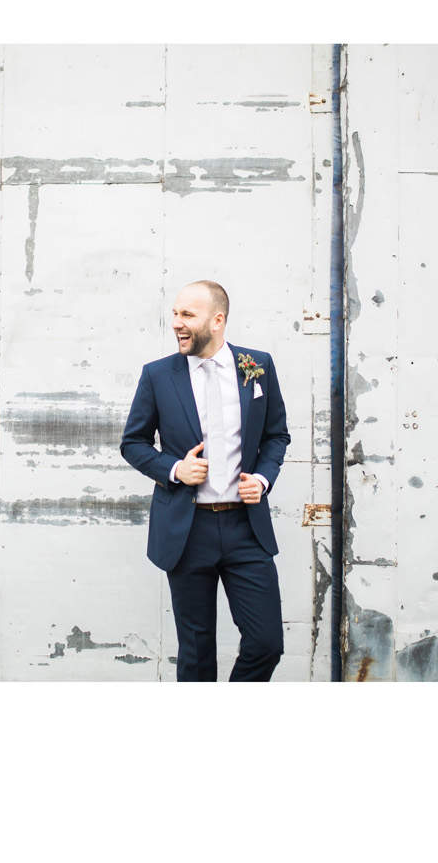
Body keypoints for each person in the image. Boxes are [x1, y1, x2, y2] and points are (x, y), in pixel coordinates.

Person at [120, 280, 290, 682]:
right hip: (187, 529)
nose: (176, 323)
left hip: (246, 528)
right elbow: (133, 443)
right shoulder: (158, 375)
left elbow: (276, 435)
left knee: (266, 644)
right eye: (175, 313)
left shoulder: (257, 365)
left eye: (187, 315)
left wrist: (263, 479)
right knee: (196, 653)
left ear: (218, 320)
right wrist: (175, 469)